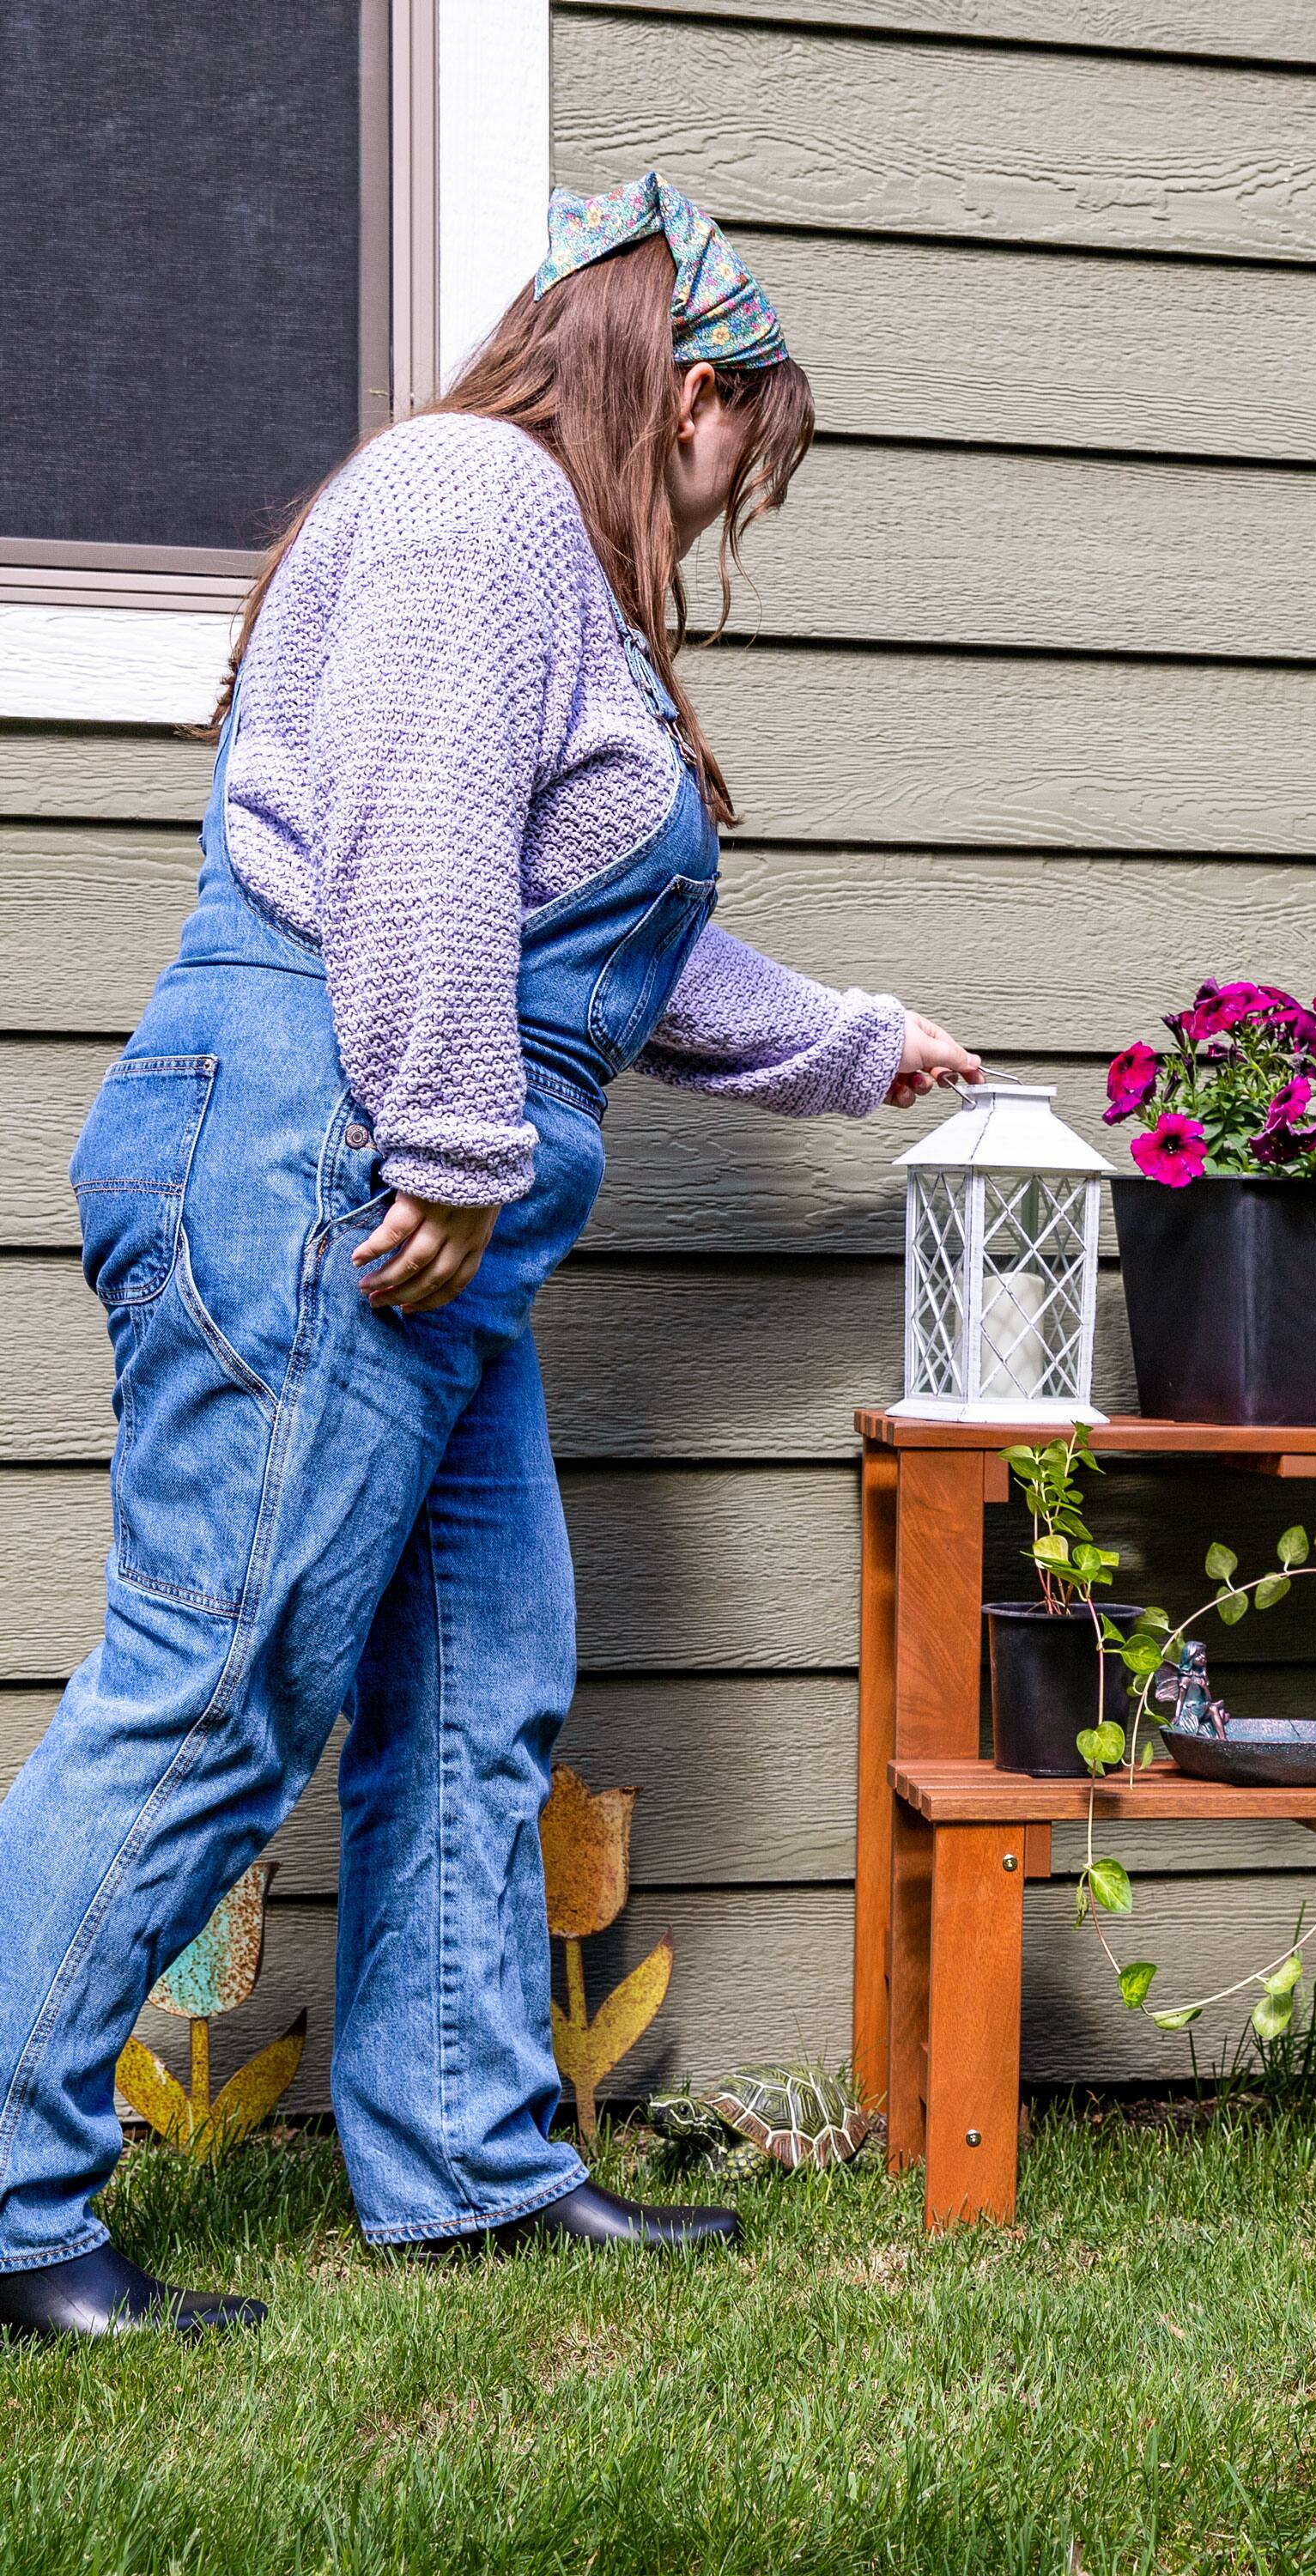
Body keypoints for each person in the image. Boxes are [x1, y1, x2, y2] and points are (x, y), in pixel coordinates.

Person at [0, 177, 979, 2341]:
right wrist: (449, 1140)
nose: (725, 506)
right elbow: (419, 824)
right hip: (336, 1154)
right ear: (690, 388)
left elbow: (606, 929)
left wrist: (851, 1042)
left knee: (476, 1682)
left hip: (423, 1200)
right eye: (743, 458)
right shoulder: (478, 499)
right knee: (220, 1682)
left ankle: (463, 2165)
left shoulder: (539, 564)